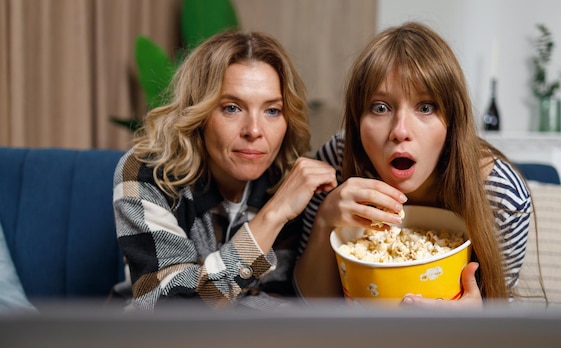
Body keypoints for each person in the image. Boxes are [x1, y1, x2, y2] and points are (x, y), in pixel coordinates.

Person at [294, 22, 531, 308]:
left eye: (425, 107)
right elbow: (310, 306)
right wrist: (324, 219)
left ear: (452, 122)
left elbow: (501, 326)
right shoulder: (337, 159)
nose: (400, 130)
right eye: (380, 107)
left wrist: (477, 318)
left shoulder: (503, 195)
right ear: (357, 121)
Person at [113, 30, 337, 311]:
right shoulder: (146, 172)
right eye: (232, 108)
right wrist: (273, 215)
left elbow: (288, 301)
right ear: (199, 113)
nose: (254, 131)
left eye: (272, 111)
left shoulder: (291, 179)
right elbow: (169, 312)